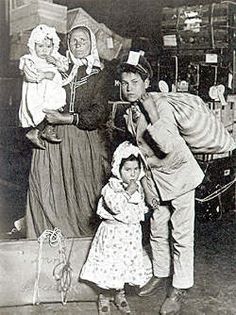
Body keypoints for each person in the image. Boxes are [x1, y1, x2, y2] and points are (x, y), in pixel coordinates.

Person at [117, 51, 205, 315]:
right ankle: (160, 272)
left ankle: (179, 287)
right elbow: (140, 154)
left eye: (135, 81)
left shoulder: (160, 104)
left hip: (179, 176)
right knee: (157, 228)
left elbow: (165, 145)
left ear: (147, 83)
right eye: (124, 82)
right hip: (155, 179)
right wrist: (145, 186)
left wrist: (151, 110)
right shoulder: (128, 111)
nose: (129, 87)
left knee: (181, 235)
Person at [26, 25, 112, 238]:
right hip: (52, 137)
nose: (78, 44)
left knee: (84, 194)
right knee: (47, 186)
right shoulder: (57, 68)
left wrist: (65, 118)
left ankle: (83, 244)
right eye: (73, 40)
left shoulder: (99, 74)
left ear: (91, 44)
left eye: (83, 40)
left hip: (83, 137)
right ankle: (48, 239)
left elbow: (100, 112)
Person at [80, 141, 150, 315]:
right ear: (118, 169)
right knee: (109, 267)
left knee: (124, 266)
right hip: (113, 235)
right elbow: (116, 206)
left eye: (135, 169)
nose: (132, 174)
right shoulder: (111, 188)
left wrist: (146, 203)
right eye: (128, 170)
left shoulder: (138, 187)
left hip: (129, 236)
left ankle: (120, 294)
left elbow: (139, 209)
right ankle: (104, 295)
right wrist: (128, 192)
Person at [19, 24, 69, 149]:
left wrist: (55, 62)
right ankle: (35, 131)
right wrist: (44, 75)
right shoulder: (29, 59)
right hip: (37, 92)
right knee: (40, 110)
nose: (44, 50)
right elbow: (30, 76)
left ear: (54, 46)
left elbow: (65, 68)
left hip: (52, 91)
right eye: (40, 46)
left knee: (56, 106)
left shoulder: (55, 57)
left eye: (48, 46)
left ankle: (47, 129)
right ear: (33, 46)